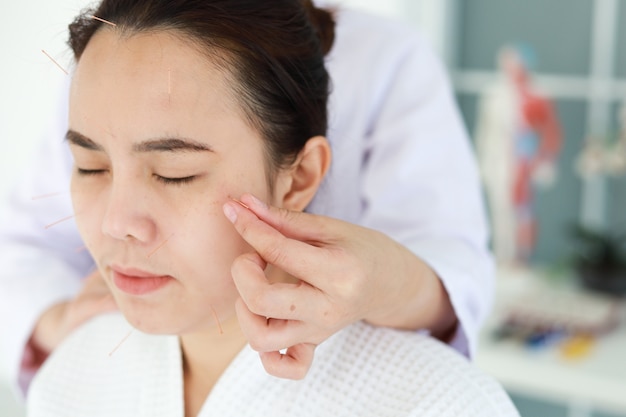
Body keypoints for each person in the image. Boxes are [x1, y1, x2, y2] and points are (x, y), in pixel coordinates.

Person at [25, 1, 518, 415]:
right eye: (90, 166)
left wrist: (384, 281)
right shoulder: (72, 378)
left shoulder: (439, 404)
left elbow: (447, 254)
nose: (116, 225)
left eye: (175, 174)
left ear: (300, 176)